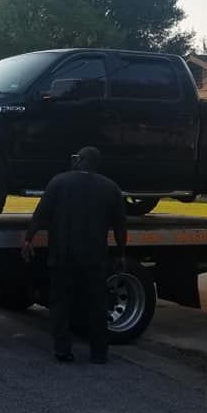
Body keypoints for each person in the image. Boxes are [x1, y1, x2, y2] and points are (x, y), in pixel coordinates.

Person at [22, 146, 127, 364]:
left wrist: (28, 239)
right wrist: (121, 253)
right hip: (95, 258)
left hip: (62, 255)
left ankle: (63, 350)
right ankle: (99, 353)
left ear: (79, 160)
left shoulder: (59, 182)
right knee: (97, 306)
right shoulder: (111, 188)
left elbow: (41, 214)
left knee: (61, 303)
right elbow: (120, 227)